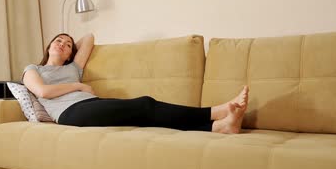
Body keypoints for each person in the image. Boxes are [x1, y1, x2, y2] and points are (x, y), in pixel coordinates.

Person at [22, 33, 249, 134]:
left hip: (91, 105)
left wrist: (71, 47)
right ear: (48, 45)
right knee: (144, 105)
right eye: (58, 41)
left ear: (72, 54)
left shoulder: (72, 68)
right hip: (70, 114)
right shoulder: (34, 69)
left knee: (145, 117)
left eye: (68, 44)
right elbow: (43, 91)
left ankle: (219, 127)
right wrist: (78, 86)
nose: (63, 44)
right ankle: (215, 112)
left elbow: (89, 37)